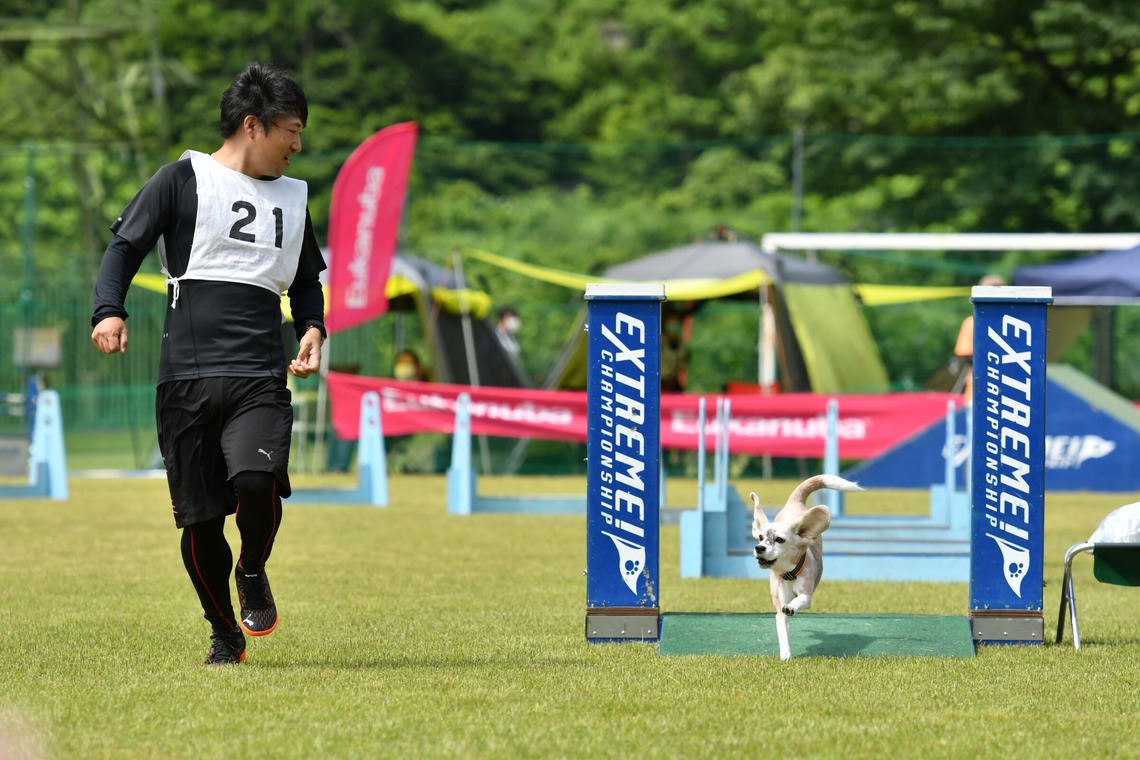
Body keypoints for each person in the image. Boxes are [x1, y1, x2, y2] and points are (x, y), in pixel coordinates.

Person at [90, 63, 327, 666]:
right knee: (198, 522)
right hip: (186, 379)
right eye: (291, 130)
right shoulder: (180, 179)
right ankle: (224, 633)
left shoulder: (295, 200)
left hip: (259, 377)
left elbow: (305, 281)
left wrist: (312, 328)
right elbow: (124, 248)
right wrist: (107, 311)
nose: (298, 145)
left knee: (256, 481)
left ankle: (252, 570)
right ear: (254, 125)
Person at [953, 273, 1006, 399]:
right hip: (979, 388)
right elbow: (965, 354)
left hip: (1005, 392)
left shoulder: (1012, 324)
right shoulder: (972, 322)